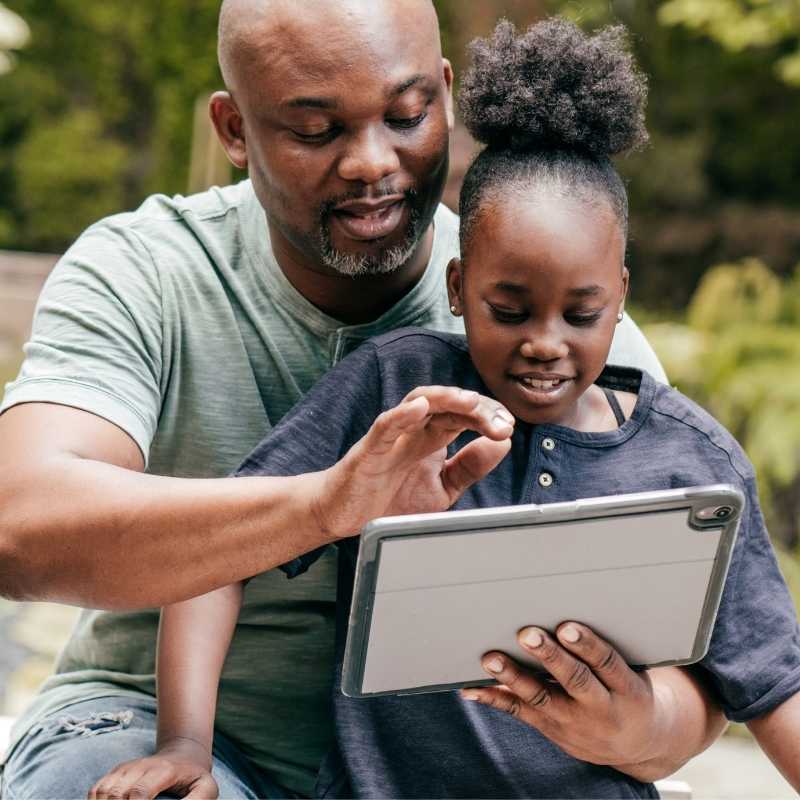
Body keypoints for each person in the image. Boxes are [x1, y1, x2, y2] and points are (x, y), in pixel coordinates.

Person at [0, 1, 720, 798]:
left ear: (446, 96)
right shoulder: (149, 271)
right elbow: (19, 524)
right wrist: (322, 507)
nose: (373, 161)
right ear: (234, 129)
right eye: (317, 130)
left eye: (408, 115)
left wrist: (640, 728)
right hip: (157, 733)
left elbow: (704, 672)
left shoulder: (555, 312)